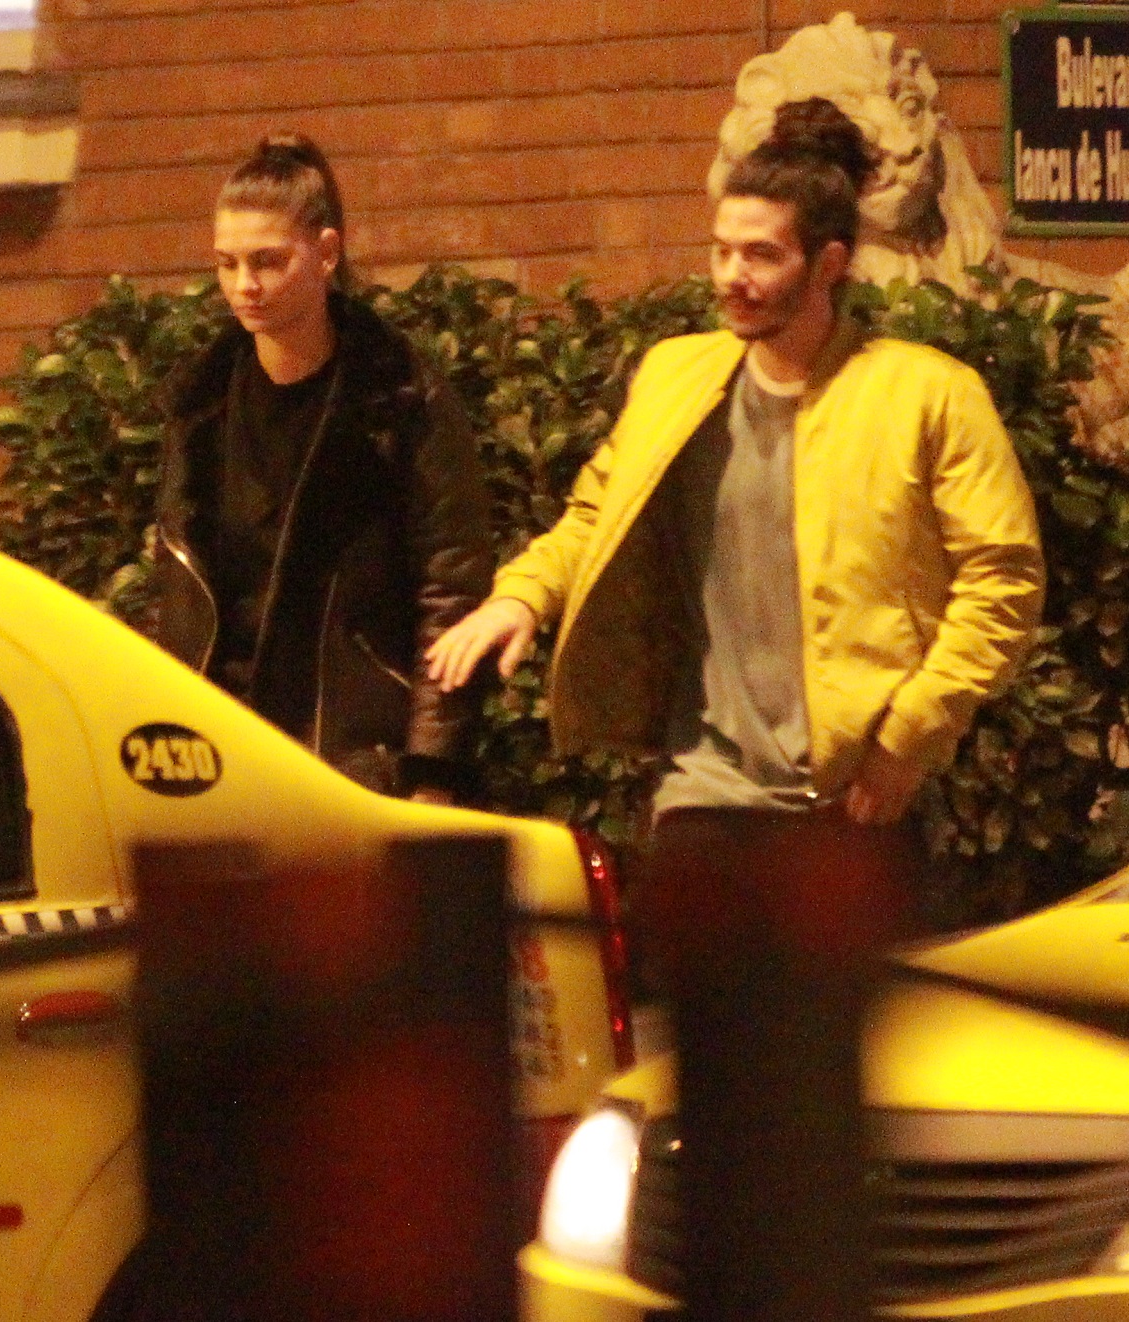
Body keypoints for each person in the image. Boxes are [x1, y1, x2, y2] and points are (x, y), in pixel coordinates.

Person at [427, 99, 1045, 1319]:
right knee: (710, 1124)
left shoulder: (922, 394)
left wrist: (910, 737)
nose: (730, 275)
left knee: (839, 1130)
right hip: (702, 798)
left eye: (759, 254)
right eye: (719, 249)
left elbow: (1002, 577)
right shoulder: (679, 378)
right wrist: (518, 597)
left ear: (829, 262)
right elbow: (595, 510)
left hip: (845, 802)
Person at [154, 133, 493, 804]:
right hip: (221, 751)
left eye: (267, 261)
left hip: (359, 754)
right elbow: (176, 592)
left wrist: (431, 769)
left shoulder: (398, 397)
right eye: (226, 263)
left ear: (327, 253)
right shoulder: (200, 404)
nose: (244, 286)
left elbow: (451, 587)